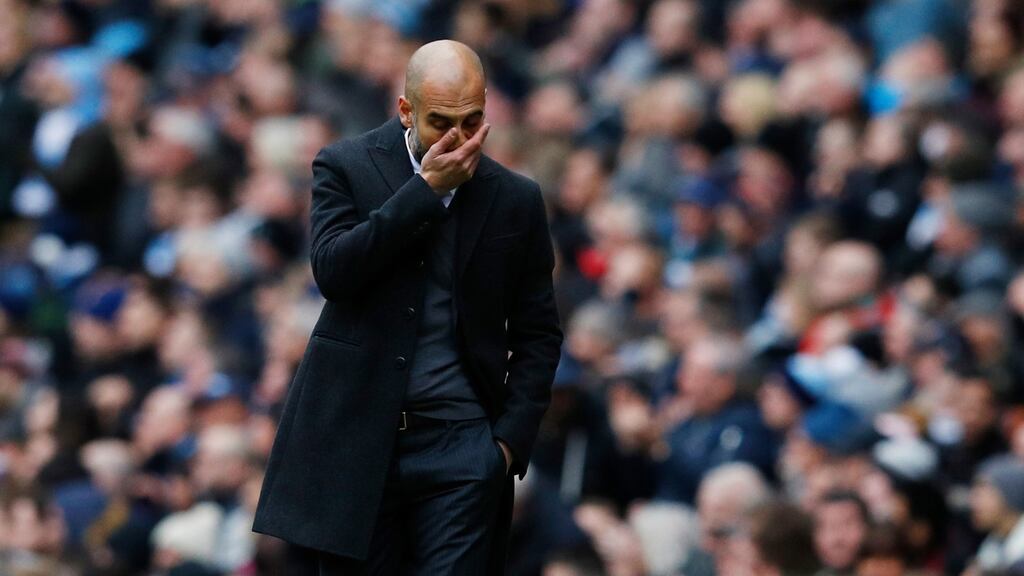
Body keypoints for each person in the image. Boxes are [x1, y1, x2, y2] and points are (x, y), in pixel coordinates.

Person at [250, 39, 563, 575]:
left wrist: (506, 445)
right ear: (405, 110)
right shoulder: (344, 164)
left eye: (473, 121)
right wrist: (424, 192)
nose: (459, 138)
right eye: (441, 122)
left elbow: (539, 333)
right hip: (359, 441)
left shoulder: (515, 197)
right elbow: (334, 272)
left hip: (463, 445)